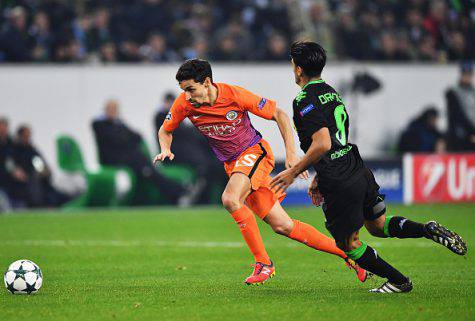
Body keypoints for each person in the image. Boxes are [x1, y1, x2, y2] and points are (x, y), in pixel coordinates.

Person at [271, 41, 467, 293]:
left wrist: (292, 172)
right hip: (355, 166)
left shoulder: (303, 99)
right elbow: (335, 137)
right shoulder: (331, 91)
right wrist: (320, 174)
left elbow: (322, 142)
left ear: (298, 70)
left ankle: (399, 281)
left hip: (339, 177)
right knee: (378, 225)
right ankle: (426, 229)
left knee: (349, 244)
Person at [154, 58, 367, 286]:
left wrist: (291, 153)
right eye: (183, 91)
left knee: (230, 199)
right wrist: (165, 148)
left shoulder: (234, 95)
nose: (186, 96)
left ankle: (264, 263)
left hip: (255, 152)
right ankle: (350, 255)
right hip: (234, 166)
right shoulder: (184, 104)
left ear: (207, 82)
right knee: (283, 226)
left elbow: (280, 114)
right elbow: (165, 130)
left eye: (190, 89)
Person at [92, 99, 192, 205]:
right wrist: (124, 135)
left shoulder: (119, 124)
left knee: (149, 170)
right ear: (105, 110)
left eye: (115, 109)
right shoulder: (99, 124)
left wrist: (123, 133)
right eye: (111, 109)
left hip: (130, 158)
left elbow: (137, 136)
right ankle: (178, 191)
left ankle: (176, 192)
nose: (113, 112)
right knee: (148, 170)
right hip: (114, 160)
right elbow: (117, 139)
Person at [154, 92, 225, 204]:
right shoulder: (161, 117)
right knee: (204, 165)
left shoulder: (179, 119)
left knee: (217, 161)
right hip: (174, 155)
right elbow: (179, 132)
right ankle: (197, 197)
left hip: (189, 152)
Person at [11, 124, 69, 207]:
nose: (28, 137)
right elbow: (10, 165)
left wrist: (43, 170)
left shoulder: (31, 149)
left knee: (58, 195)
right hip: (22, 181)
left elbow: (38, 164)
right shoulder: (13, 149)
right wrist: (15, 171)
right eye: (26, 135)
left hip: (36, 178)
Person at [445, 62, 475, 151]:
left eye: (469, 74)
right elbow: (457, 116)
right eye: (465, 74)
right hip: (461, 137)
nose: (467, 77)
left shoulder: (472, 92)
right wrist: (471, 133)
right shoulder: (453, 93)